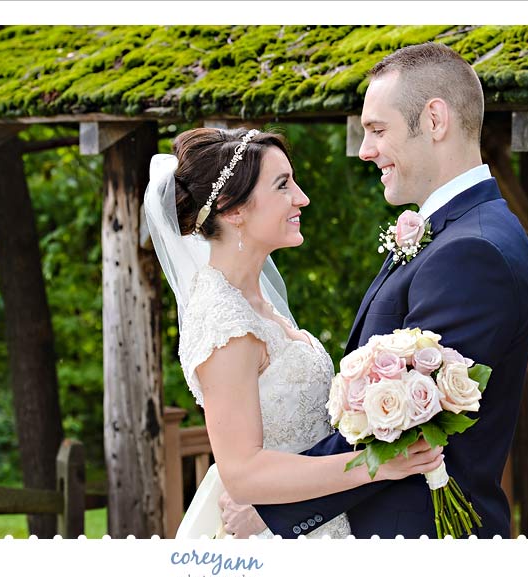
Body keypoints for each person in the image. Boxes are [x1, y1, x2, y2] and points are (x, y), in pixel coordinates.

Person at [223, 42, 528, 538]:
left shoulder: (472, 251)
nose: (365, 149)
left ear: (434, 120)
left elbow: (406, 422)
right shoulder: (461, 233)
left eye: (377, 129)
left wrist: (271, 506)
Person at [142, 127, 444, 538]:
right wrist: (376, 464)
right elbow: (243, 474)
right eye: (282, 185)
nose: (301, 198)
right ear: (232, 209)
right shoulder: (224, 323)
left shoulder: (255, 304)